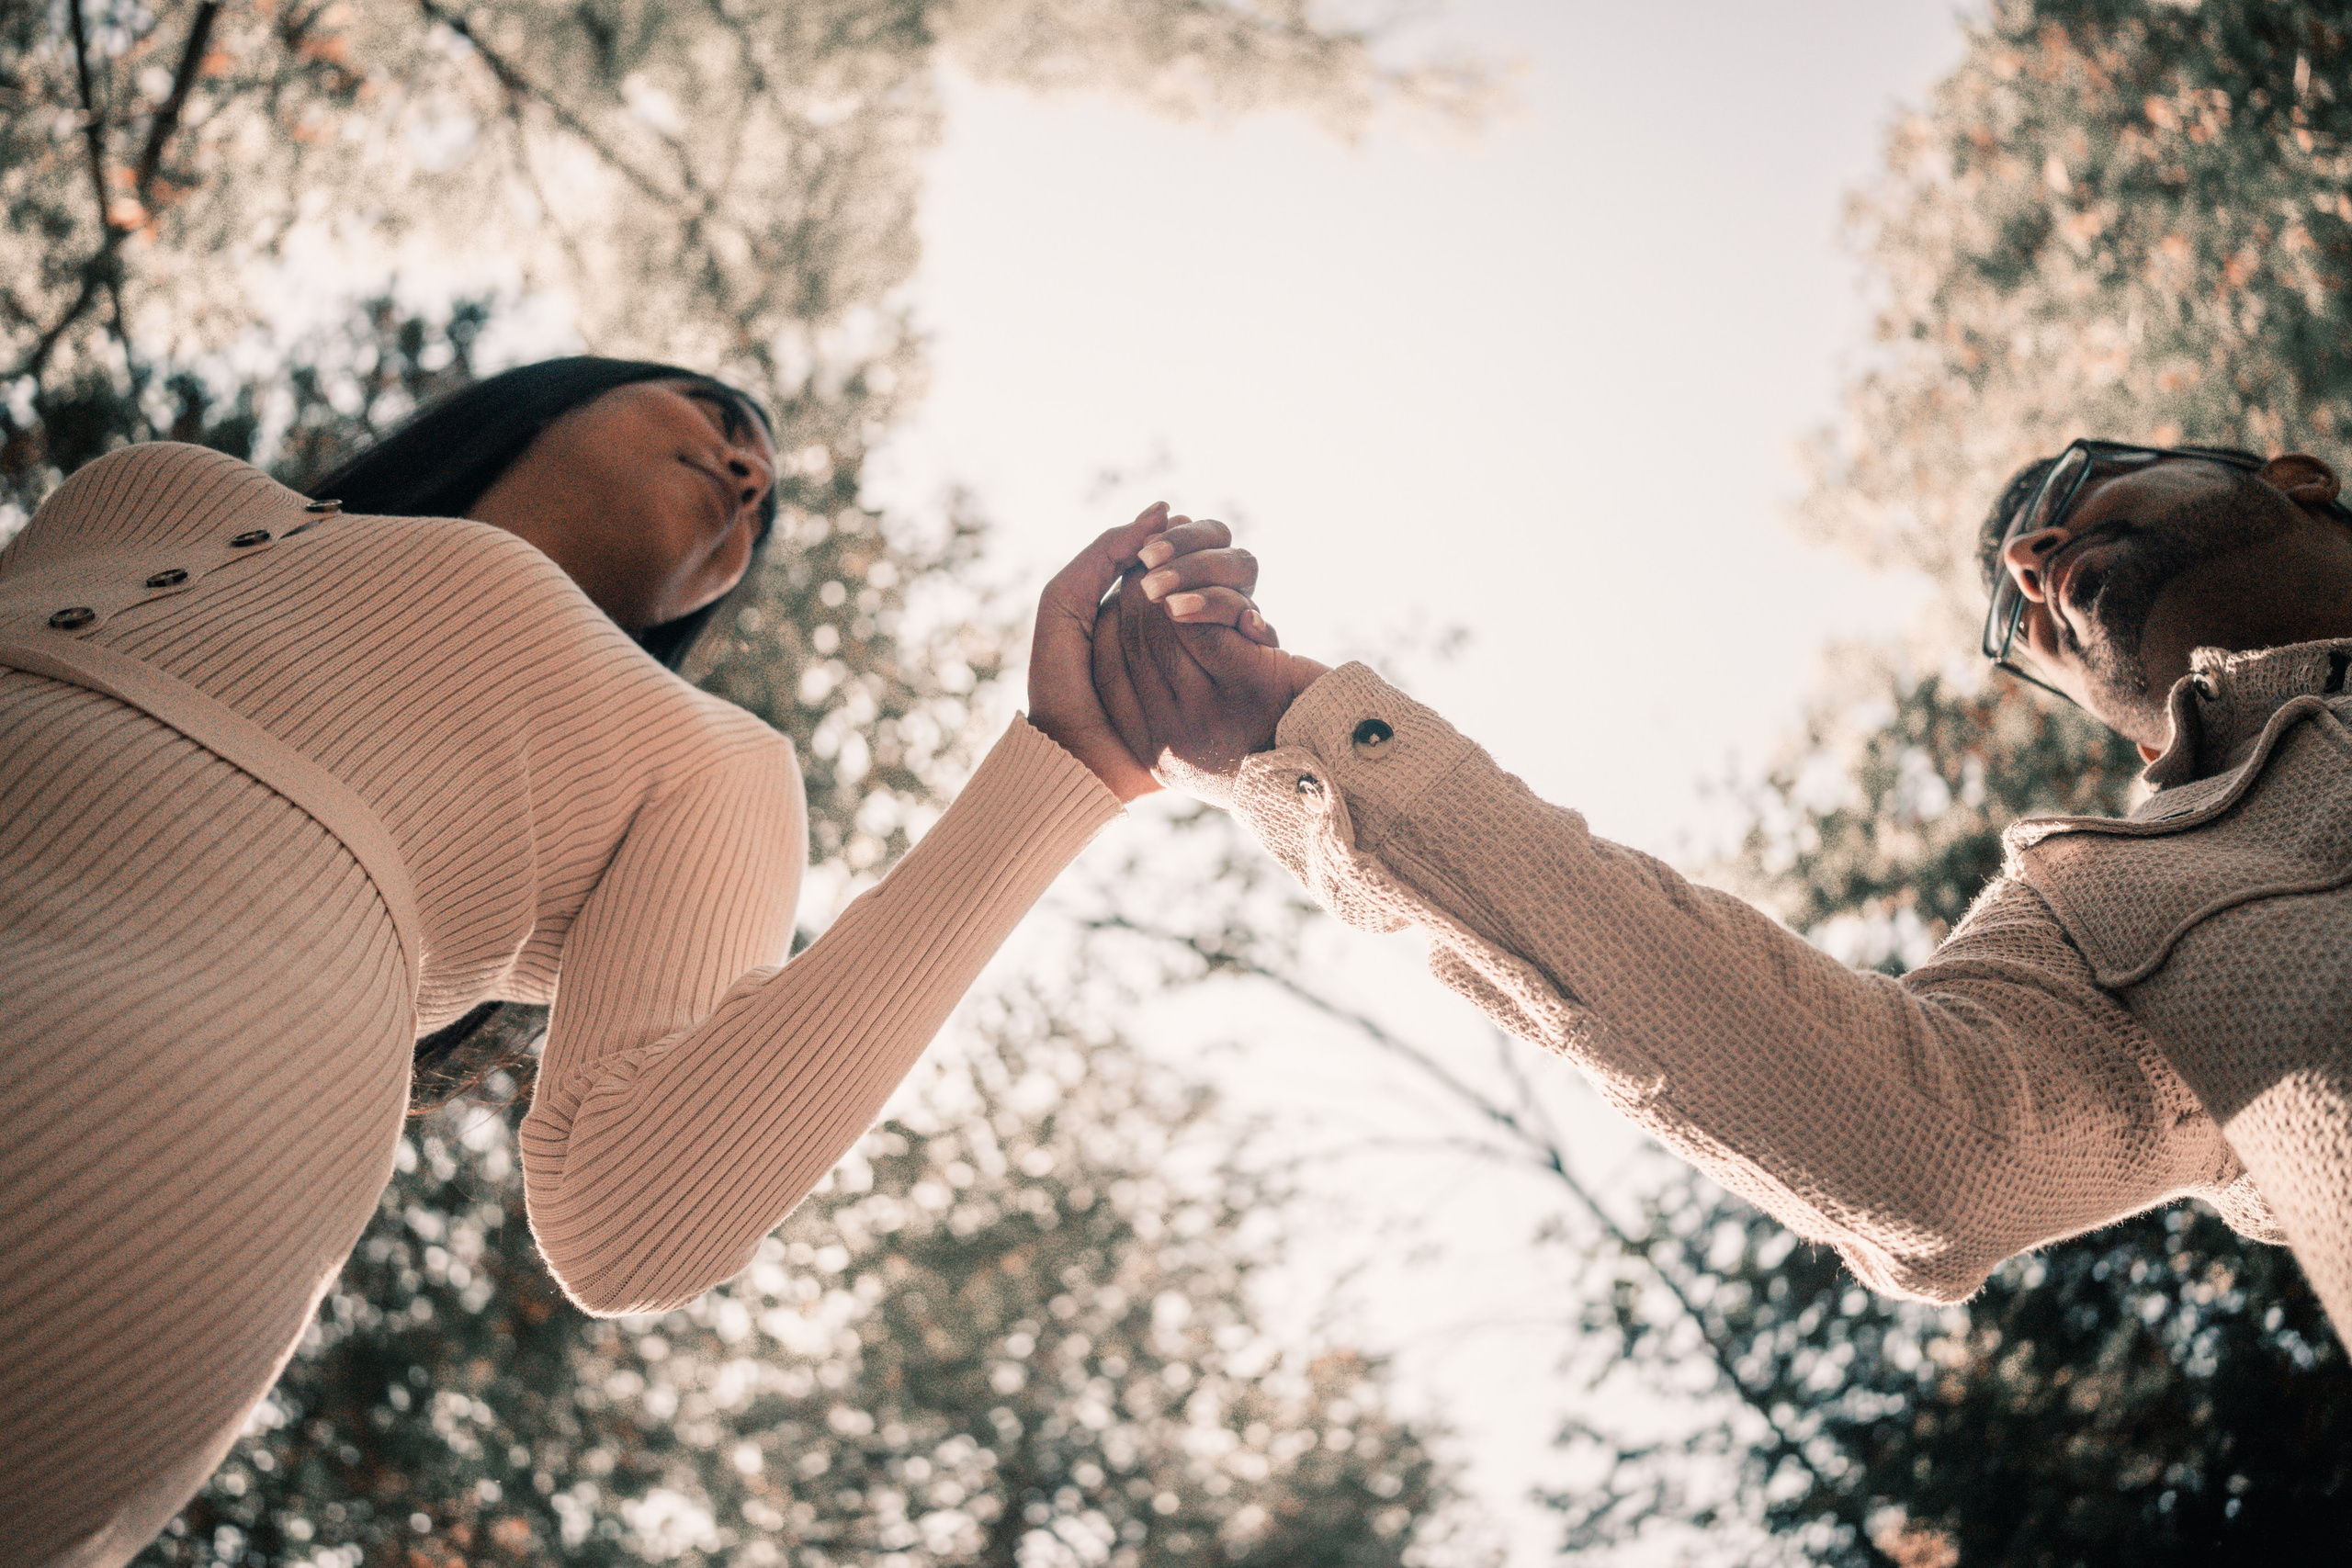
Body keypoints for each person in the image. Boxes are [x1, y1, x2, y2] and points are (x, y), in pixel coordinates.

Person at [0, 355, 1260, 1568]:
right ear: (549, 398)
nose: (745, 473)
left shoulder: (705, 754)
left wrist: (1067, 768)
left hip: (128, 1107)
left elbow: (632, 1217)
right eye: (719, 415)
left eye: (760, 497)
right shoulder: (150, 487)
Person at [1096, 439, 2352, 1346]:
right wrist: (1293, 738)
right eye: (2014, 623)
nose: (2031, 559)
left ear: (2294, 478)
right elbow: (1933, 1151)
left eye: (2073, 489)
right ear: (2126, 736)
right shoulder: (2124, 902)